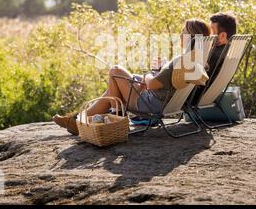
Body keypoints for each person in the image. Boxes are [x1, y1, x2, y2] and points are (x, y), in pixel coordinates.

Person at [52, 19, 212, 135]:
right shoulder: (196, 62)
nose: (180, 34)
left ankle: (91, 121)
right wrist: (160, 69)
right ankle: (80, 120)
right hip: (163, 102)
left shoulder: (180, 61)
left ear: (190, 37)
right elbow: (167, 82)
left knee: (115, 71)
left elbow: (153, 85)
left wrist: (148, 75)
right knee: (113, 91)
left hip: (150, 104)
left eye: (183, 32)